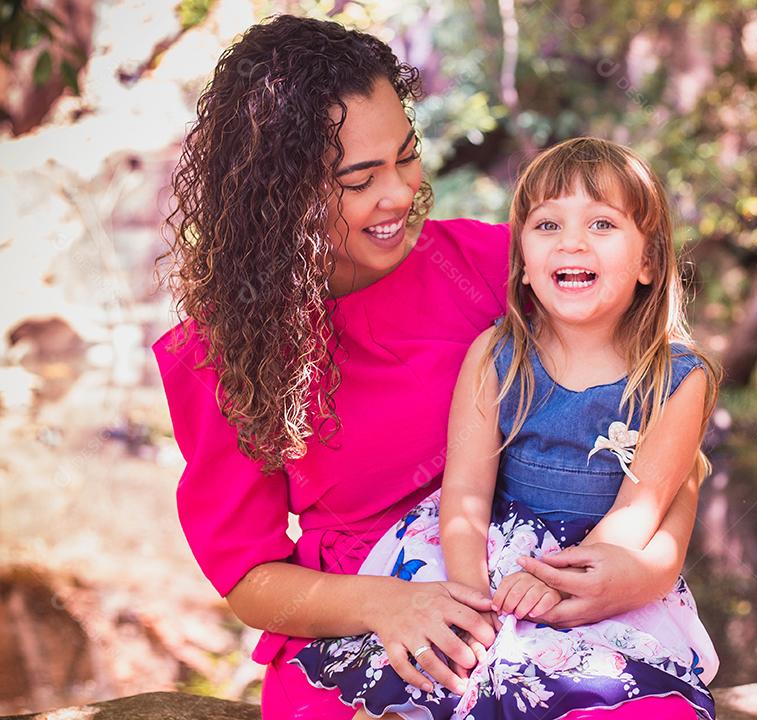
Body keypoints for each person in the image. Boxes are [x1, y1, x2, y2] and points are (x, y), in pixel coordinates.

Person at [153, 15, 709, 720]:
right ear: (276, 194)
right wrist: (390, 603)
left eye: (407, 157)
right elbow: (248, 574)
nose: (398, 193)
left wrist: (648, 568)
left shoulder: (498, 265)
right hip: (369, 612)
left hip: (542, 586)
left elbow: (659, 418)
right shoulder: (219, 352)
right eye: (359, 178)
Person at [289, 137, 722, 719]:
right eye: (547, 225)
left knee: (619, 701)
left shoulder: (678, 377)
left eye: (601, 224)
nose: (572, 241)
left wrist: (560, 585)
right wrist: (471, 602)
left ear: (648, 261)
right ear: (522, 257)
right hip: (490, 560)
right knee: (417, 692)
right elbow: (465, 495)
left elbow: (637, 512)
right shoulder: (496, 355)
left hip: (601, 571)